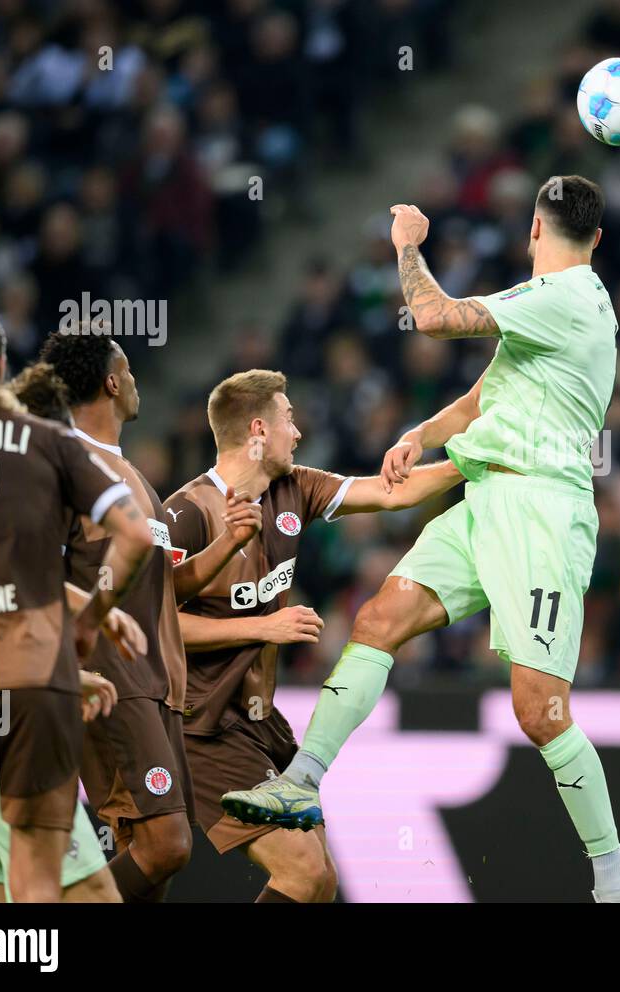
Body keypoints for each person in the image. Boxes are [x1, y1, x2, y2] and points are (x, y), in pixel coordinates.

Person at [222, 175, 620, 903]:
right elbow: (488, 394)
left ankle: (615, 884)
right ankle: (302, 782)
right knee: (381, 618)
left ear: (534, 230)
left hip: (542, 511)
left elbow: (432, 315)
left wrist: (409, 247)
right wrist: (421, 433)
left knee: (539, 710)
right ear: (597, 236)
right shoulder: (549, 309)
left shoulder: (565, 296)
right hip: (488, 496)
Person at [162, 368, 463, 902]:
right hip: (200, 724)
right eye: (289, 418)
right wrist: (263, 626)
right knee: (301, 872)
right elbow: (154, 623)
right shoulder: (186, 513)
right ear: (258, 429)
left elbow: (391, 494)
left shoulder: (294, 487)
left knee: (321, 878)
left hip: (259, 718)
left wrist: (474, 462)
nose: (297, 432)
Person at [0, 304, 153, 902]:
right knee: (40, 890)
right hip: (37, 683)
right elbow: (137, 535)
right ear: (1, 363)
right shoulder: (48, 441)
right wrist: (92, 620)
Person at [39, 329, 264, 901]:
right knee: (166, 845)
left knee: (151, 860)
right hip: (111, 680)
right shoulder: (66, 469)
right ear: (112, 382)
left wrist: (229, 543)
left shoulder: (132, 476)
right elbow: (36, 576)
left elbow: (169, 585)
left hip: (158, 683)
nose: (137, 382)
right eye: (130, 371)